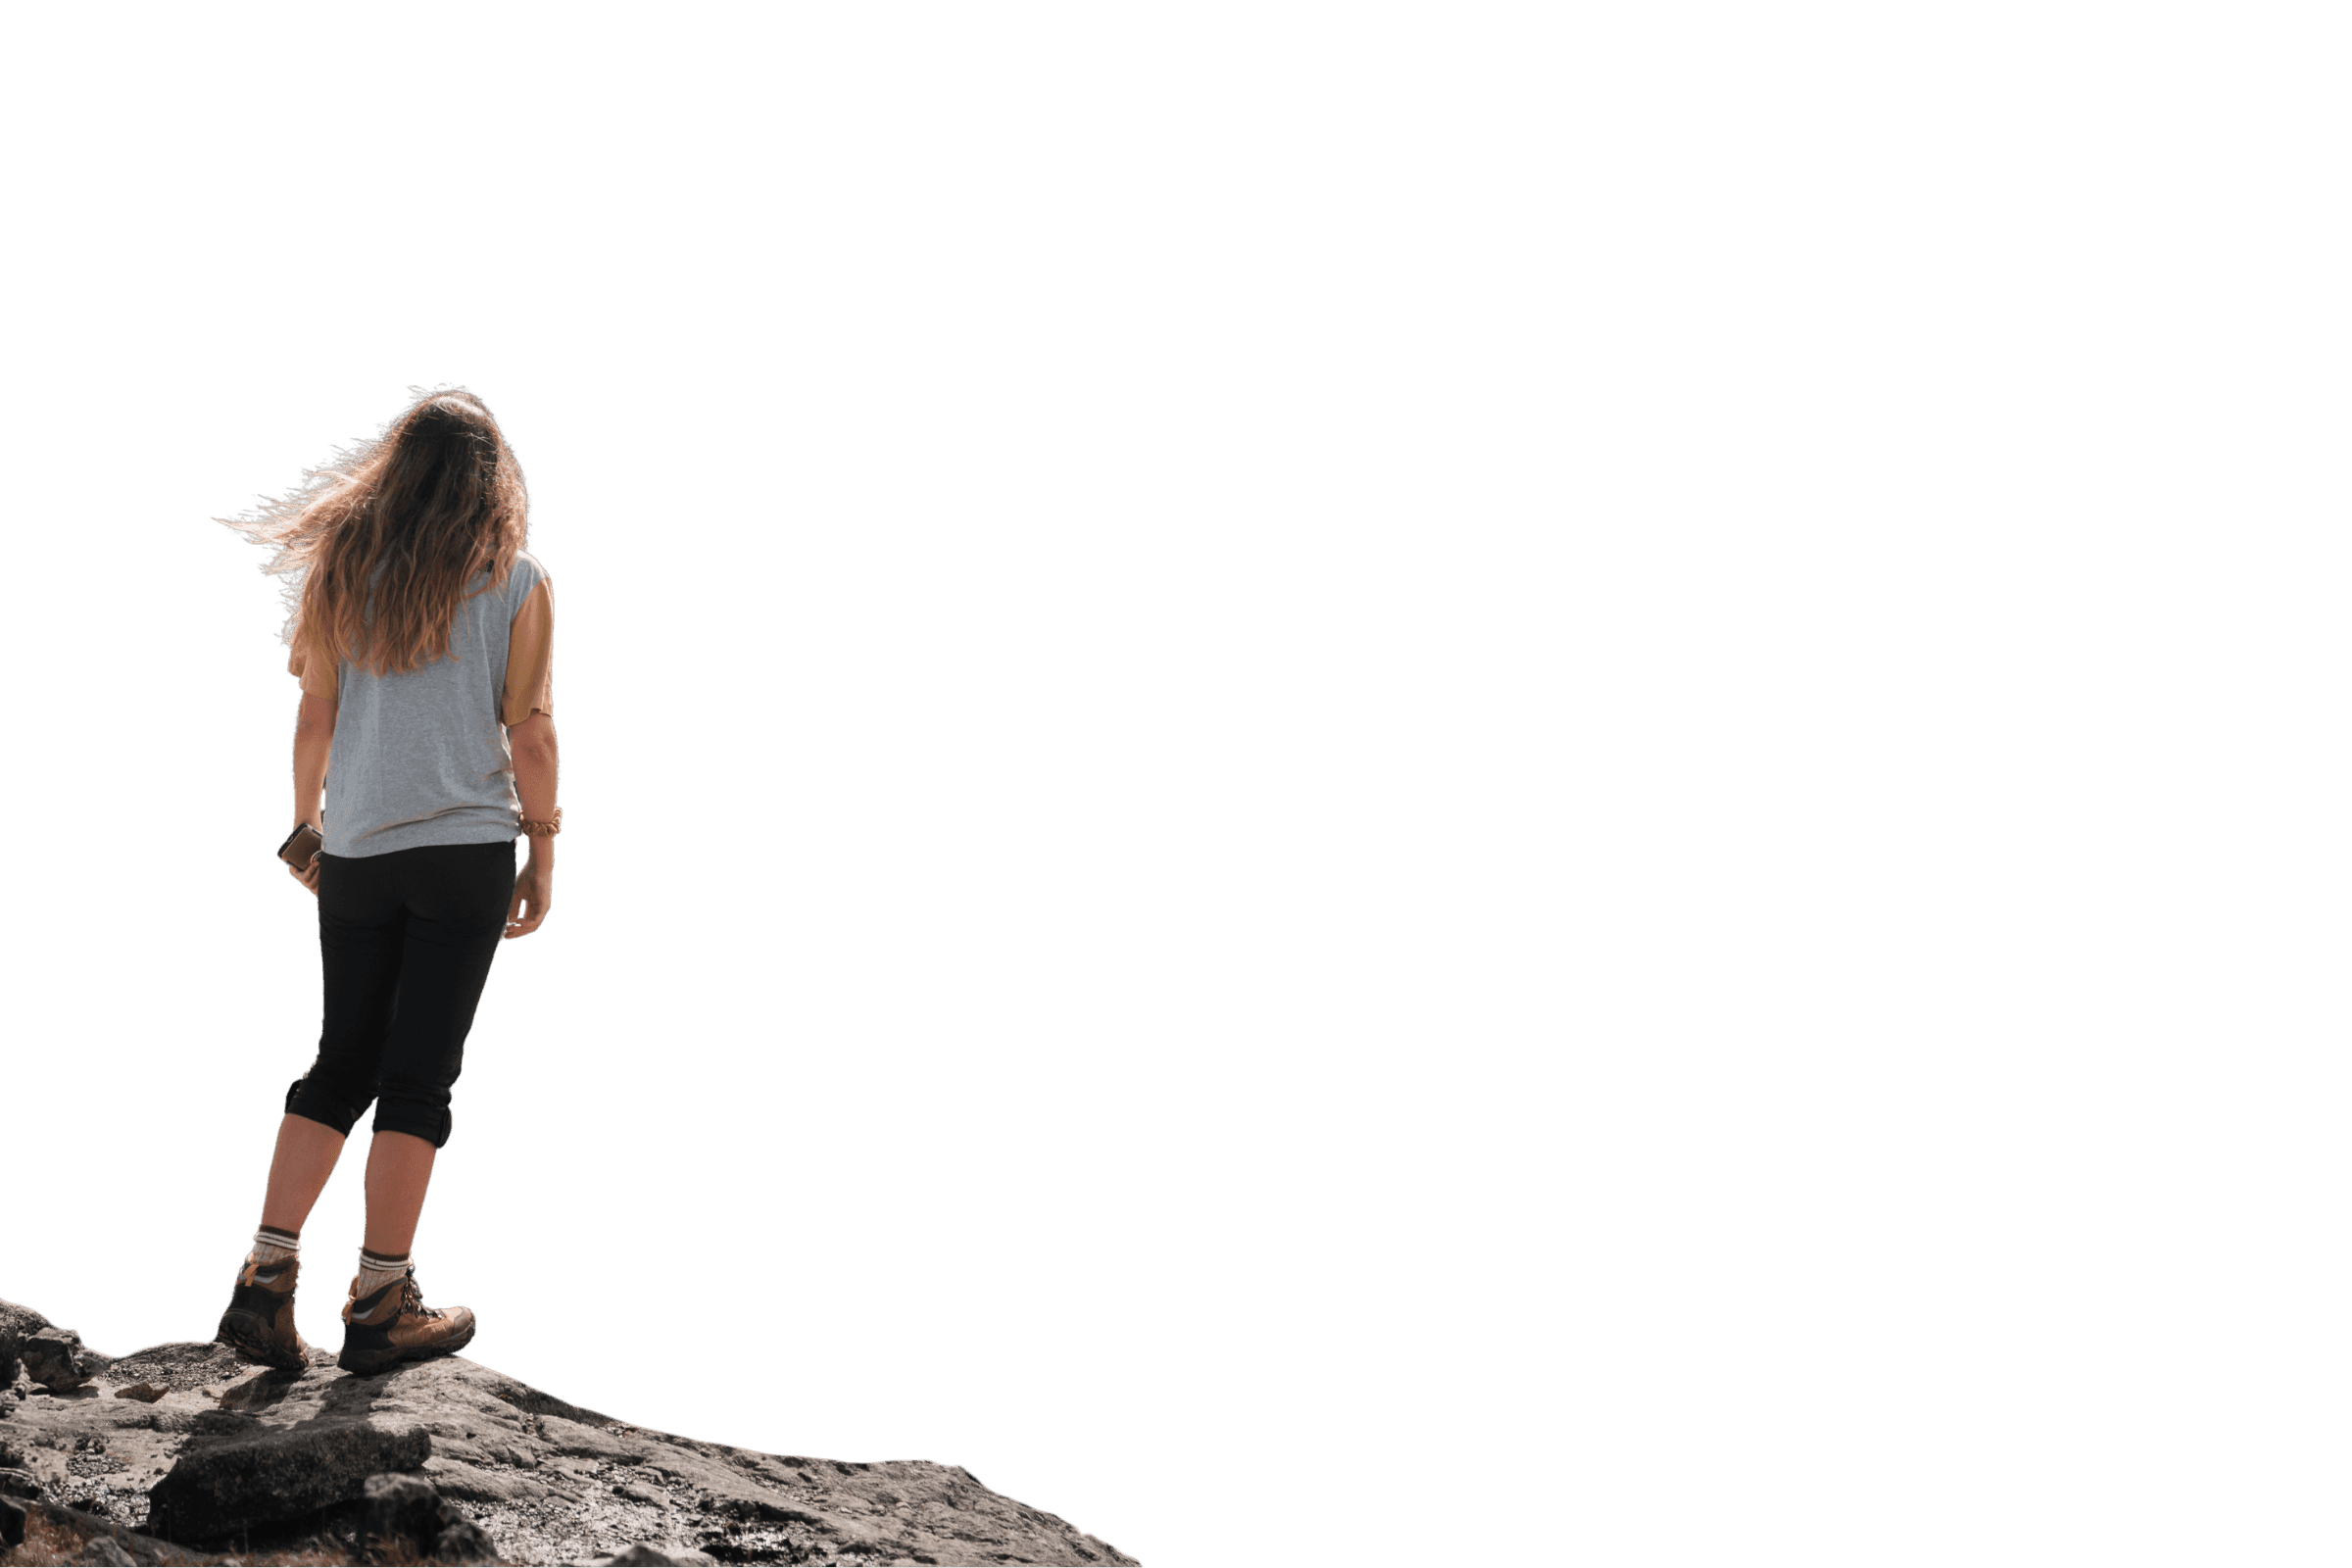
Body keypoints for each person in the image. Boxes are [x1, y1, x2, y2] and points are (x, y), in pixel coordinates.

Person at [207, 384, 561, 1377]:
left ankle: (264, 1281)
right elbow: (530, 733)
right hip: (465, 853)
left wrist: (308, 829)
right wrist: (543, 853)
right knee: (419, 1081)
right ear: (494, 483)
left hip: (357, 852)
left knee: (339, 1063)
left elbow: (312, 720)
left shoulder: (342, 573)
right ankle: (379, 1298)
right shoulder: (519, 579)